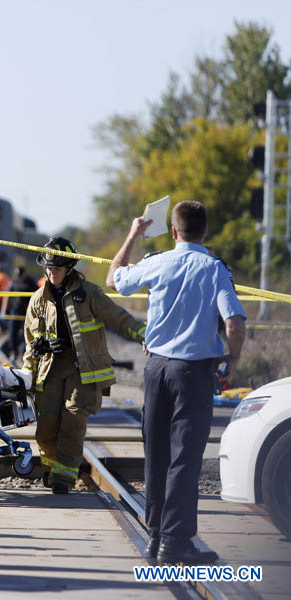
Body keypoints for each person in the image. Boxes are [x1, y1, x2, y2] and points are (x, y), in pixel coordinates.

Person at [107, 201, 246, 565]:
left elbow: (114, 278)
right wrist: (232, 362)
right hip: (192, 374)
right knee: (184, 458)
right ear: (206, 232)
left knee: (156, 453)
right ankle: (175, 542)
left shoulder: (157, 262)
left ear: (173, 231)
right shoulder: (215, 269)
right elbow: (234, 323)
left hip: (155, 371)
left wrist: (133, 234)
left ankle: (155, 538)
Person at [24, 237, 146, 495]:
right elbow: (29, 342)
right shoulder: (37, 300)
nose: (51, 272)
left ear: (68, 267)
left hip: (83, 369)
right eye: (48, 268)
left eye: (56, 268)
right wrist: (31, 367)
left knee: (72, 421)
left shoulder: (88, 294)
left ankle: (62, 480)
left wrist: (145, 335)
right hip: (50, 369)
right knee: (45, 429)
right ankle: (51, 469)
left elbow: (118, 317)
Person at [2, 266, 38, 364]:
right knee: (12, 333)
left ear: (24, 274)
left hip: (26, 314)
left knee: (25, 334)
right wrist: (4, 311)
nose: (19, 278)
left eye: (20, 276)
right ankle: (13, 352)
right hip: (14, 312)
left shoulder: (31, 283)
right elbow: (8, 297)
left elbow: (37, 296)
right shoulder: (14, 282)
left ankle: (23, 352)